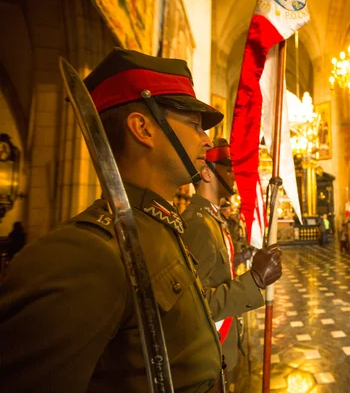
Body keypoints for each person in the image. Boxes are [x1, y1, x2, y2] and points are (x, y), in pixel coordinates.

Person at [0, 48, 229, 392]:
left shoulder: (162, 226)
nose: (207, 139)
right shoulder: (85, 255)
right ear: (143, 129)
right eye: (195, 125)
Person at [181, 139, 282, 377]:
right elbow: (193, 304)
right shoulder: (198, 223)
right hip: (206, 353)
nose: (234, 174)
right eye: (228, 168)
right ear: (207, 173)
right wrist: (255, 280)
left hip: (219, 347)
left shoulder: (212, 219)